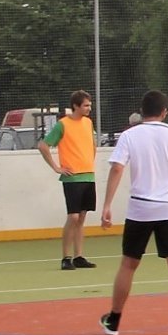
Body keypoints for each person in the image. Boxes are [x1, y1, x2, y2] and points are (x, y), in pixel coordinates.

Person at [99, 90, 168, 335]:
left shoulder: (129, 135)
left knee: (129, 263)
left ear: (142, 110)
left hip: (140, 207)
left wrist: (107, 205)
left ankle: (114, 320)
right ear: (164, 111)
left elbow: (116, 170)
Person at [37, 91, 97, 271]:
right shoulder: (63, 124)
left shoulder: (88, 123)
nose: (89, 108)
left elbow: (92, 144)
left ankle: (79, 256)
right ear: (76, 106)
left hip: (88, 175)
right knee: (73, 216)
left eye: (90, 105)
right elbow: (43, 145)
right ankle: (66, 257)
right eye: (85, 105)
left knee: (82, 217)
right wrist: (56, 167)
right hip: (72, 178)